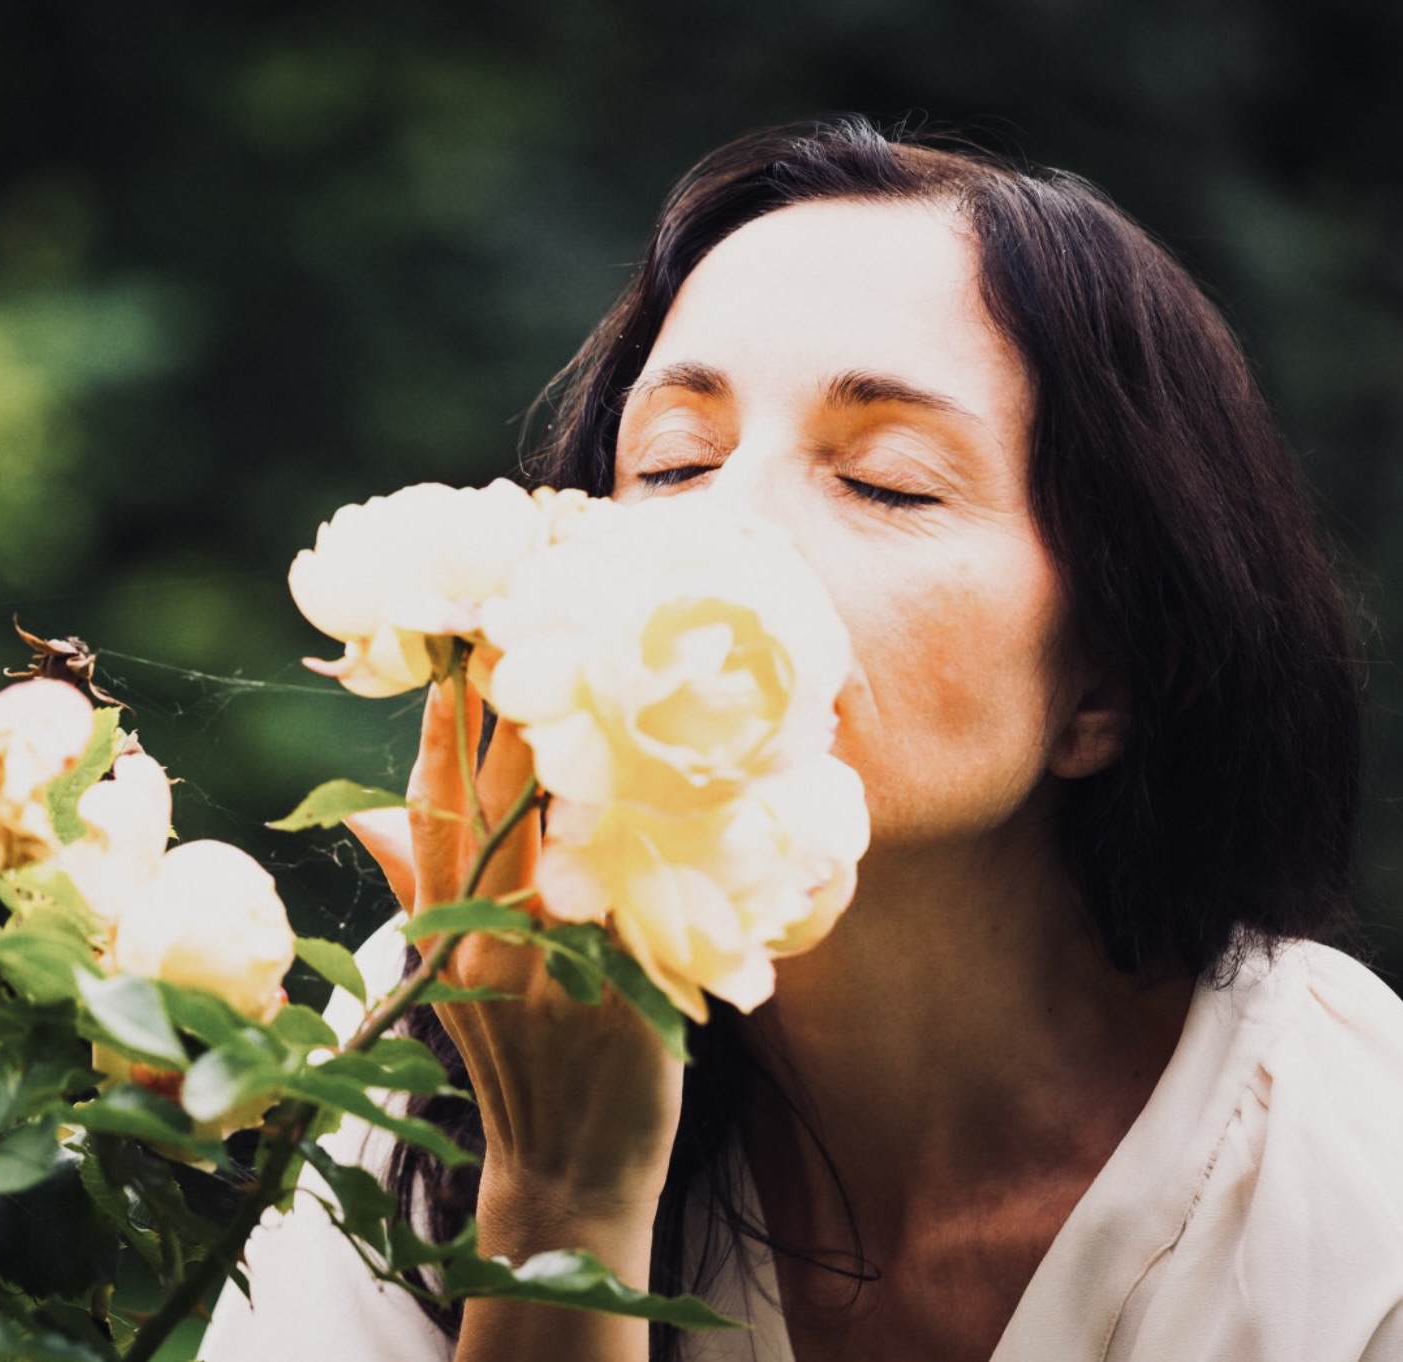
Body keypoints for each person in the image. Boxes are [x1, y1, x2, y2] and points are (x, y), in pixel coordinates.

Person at [202, 118, 1403, 1361]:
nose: (722, 530)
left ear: (1115, 681)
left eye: (886, 481)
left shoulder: (1351, 1203)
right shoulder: (469, 1030)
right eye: (673, 462)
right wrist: (558, 1198)